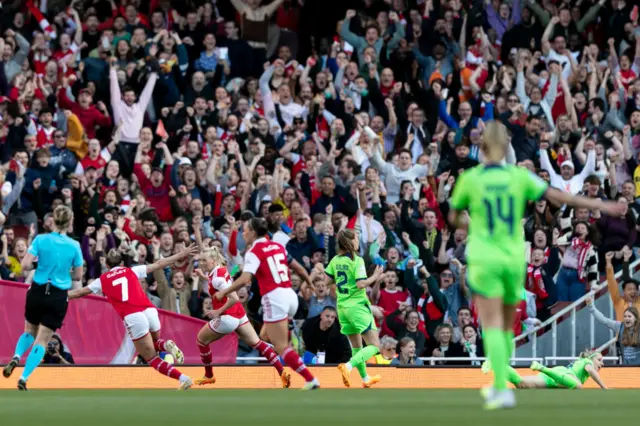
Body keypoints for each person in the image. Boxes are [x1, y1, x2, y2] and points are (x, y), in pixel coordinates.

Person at [449, 121, 625, 409]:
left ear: (480, 147)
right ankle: (502, 382)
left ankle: (499, 387)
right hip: (512, 255)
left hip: (484, 255)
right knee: (506, 324)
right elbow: (560, 196)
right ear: (507, 147)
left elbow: (455, 216)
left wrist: (473, 223)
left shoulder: (471, 178)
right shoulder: (519, 176)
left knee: (491, 322)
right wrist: (604, 206)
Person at [67, 244, 199, 390]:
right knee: (154, 344)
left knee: (151, 358)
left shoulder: (102, 280)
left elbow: (80, 292)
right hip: (150, 311)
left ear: (107, 264)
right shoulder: (132, 270)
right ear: (121, 263)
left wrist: (60, 297)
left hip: (133, 316)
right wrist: (182, 254)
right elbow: (159, 264)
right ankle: (165, 345)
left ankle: (183, 378)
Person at [217, 217, 320, 390]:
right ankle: (289, 333)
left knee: (280, 347)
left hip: (274, 298)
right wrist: (309, 284)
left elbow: (245, 278)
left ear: (253, 232)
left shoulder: (254, 250)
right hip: (290, 296)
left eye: (245, 230)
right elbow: (300, 268)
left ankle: (310, 378)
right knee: (264, 337)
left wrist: (224, 291)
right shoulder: (278, 246)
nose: (243, 233)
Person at [3, 206, 83, 391]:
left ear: (53, 221)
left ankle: (16, 356)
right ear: (70, 222)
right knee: (42, 340)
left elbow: (24, 265)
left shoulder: (40, 239)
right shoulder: (74, 246)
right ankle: (24, 377)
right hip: (57, 295)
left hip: (38, 290)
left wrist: (40, 264)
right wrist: (62, 270)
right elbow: (78, 276)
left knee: (29, 331)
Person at [192, 246, 292, 387]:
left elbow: (234, 298)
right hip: (239, 314)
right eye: (200, 260)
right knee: (257, 343)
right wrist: (203, 276)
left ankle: (209, 375)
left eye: (204, 260)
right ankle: (282, 372)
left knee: (201, 341)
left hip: (228, 317)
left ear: (213, 260)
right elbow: (217, 282)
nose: (201, 263)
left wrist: (218, 311)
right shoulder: (219, 270)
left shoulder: (217, 279)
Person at [326, 229, 384, 388]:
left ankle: (365, 379)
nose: (358, 241)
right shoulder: (356, 260)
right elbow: (360, 284)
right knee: (374, 346)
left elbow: (326, 281)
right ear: (350, 242)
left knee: (357, 347)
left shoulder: (335, 260)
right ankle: (348, 366)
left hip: (342, 308)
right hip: (357, 307)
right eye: (357, 238)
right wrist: (375, 277)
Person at [483, 351, 607, 389]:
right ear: (591, 358)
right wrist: (604, 387)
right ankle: (542, 368)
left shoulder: (584, 364)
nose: (602, 363)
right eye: (600, 359)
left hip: (554, 379)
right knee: (578, 386)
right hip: (564, 373)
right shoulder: (587, 362)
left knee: (520, 383)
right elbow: (591, 371)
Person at [586, 295, 640, 365]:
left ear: (635, 318)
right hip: (626, 368)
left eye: (629, 316)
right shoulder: (619, 326)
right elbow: (604, 320)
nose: (626, 318)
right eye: (625, 316)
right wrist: (591, 306)